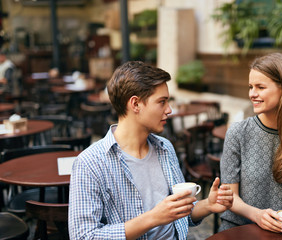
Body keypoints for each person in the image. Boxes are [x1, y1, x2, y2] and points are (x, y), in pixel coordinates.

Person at [68, 61, 233, 239]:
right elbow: (84, 236)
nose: (169, 110)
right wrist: (153, 218)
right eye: (161, 102)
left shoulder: (165, 148)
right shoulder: (90, 163)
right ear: (135, 104)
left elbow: (179, 213)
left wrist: (208, 204)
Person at [219, 52, 282, 234]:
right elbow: (230, 197)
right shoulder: (237, 133)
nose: (252, 94)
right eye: (250, 87)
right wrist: (256, 215)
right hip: (240, 230)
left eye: (260, 87)